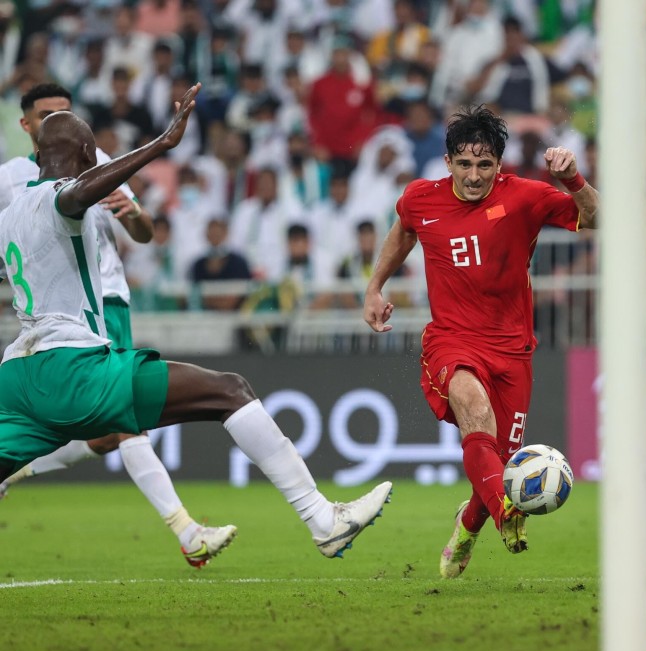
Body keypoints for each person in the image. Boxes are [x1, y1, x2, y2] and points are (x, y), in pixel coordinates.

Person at [0, 83, 392, 564]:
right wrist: (162, 143)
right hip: (74, 368)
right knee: (230, 390)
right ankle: (322, 519)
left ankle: (194, 531)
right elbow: (75, 195)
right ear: (86, 156)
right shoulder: (60, 197)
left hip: (18, 376)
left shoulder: (9, 214)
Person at [0, 83, 240, 569]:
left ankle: (15, 469)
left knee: (111, 431)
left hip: (107, 297)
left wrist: (134, 214)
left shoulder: (99, 160)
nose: (57, 119)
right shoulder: (9, 179)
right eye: (46, 114)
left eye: (64, 111)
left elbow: (143, 232)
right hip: (56, 314)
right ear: (26, 125)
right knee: (122, 420)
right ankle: (188, 532)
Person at [363, 105, 598, 578]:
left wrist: (573, 179)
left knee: (500, 462)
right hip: (452, 339)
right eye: (465, 164)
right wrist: (374, 288)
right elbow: (404, 232)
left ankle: (469, 525)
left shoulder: (525, 197)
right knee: (473, 408)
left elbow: (596, 218)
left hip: (512, 349)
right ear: (448, 162)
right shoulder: (420, 198)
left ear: (499, 164)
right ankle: (506, 512)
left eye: (485, 165)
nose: (474, 176)